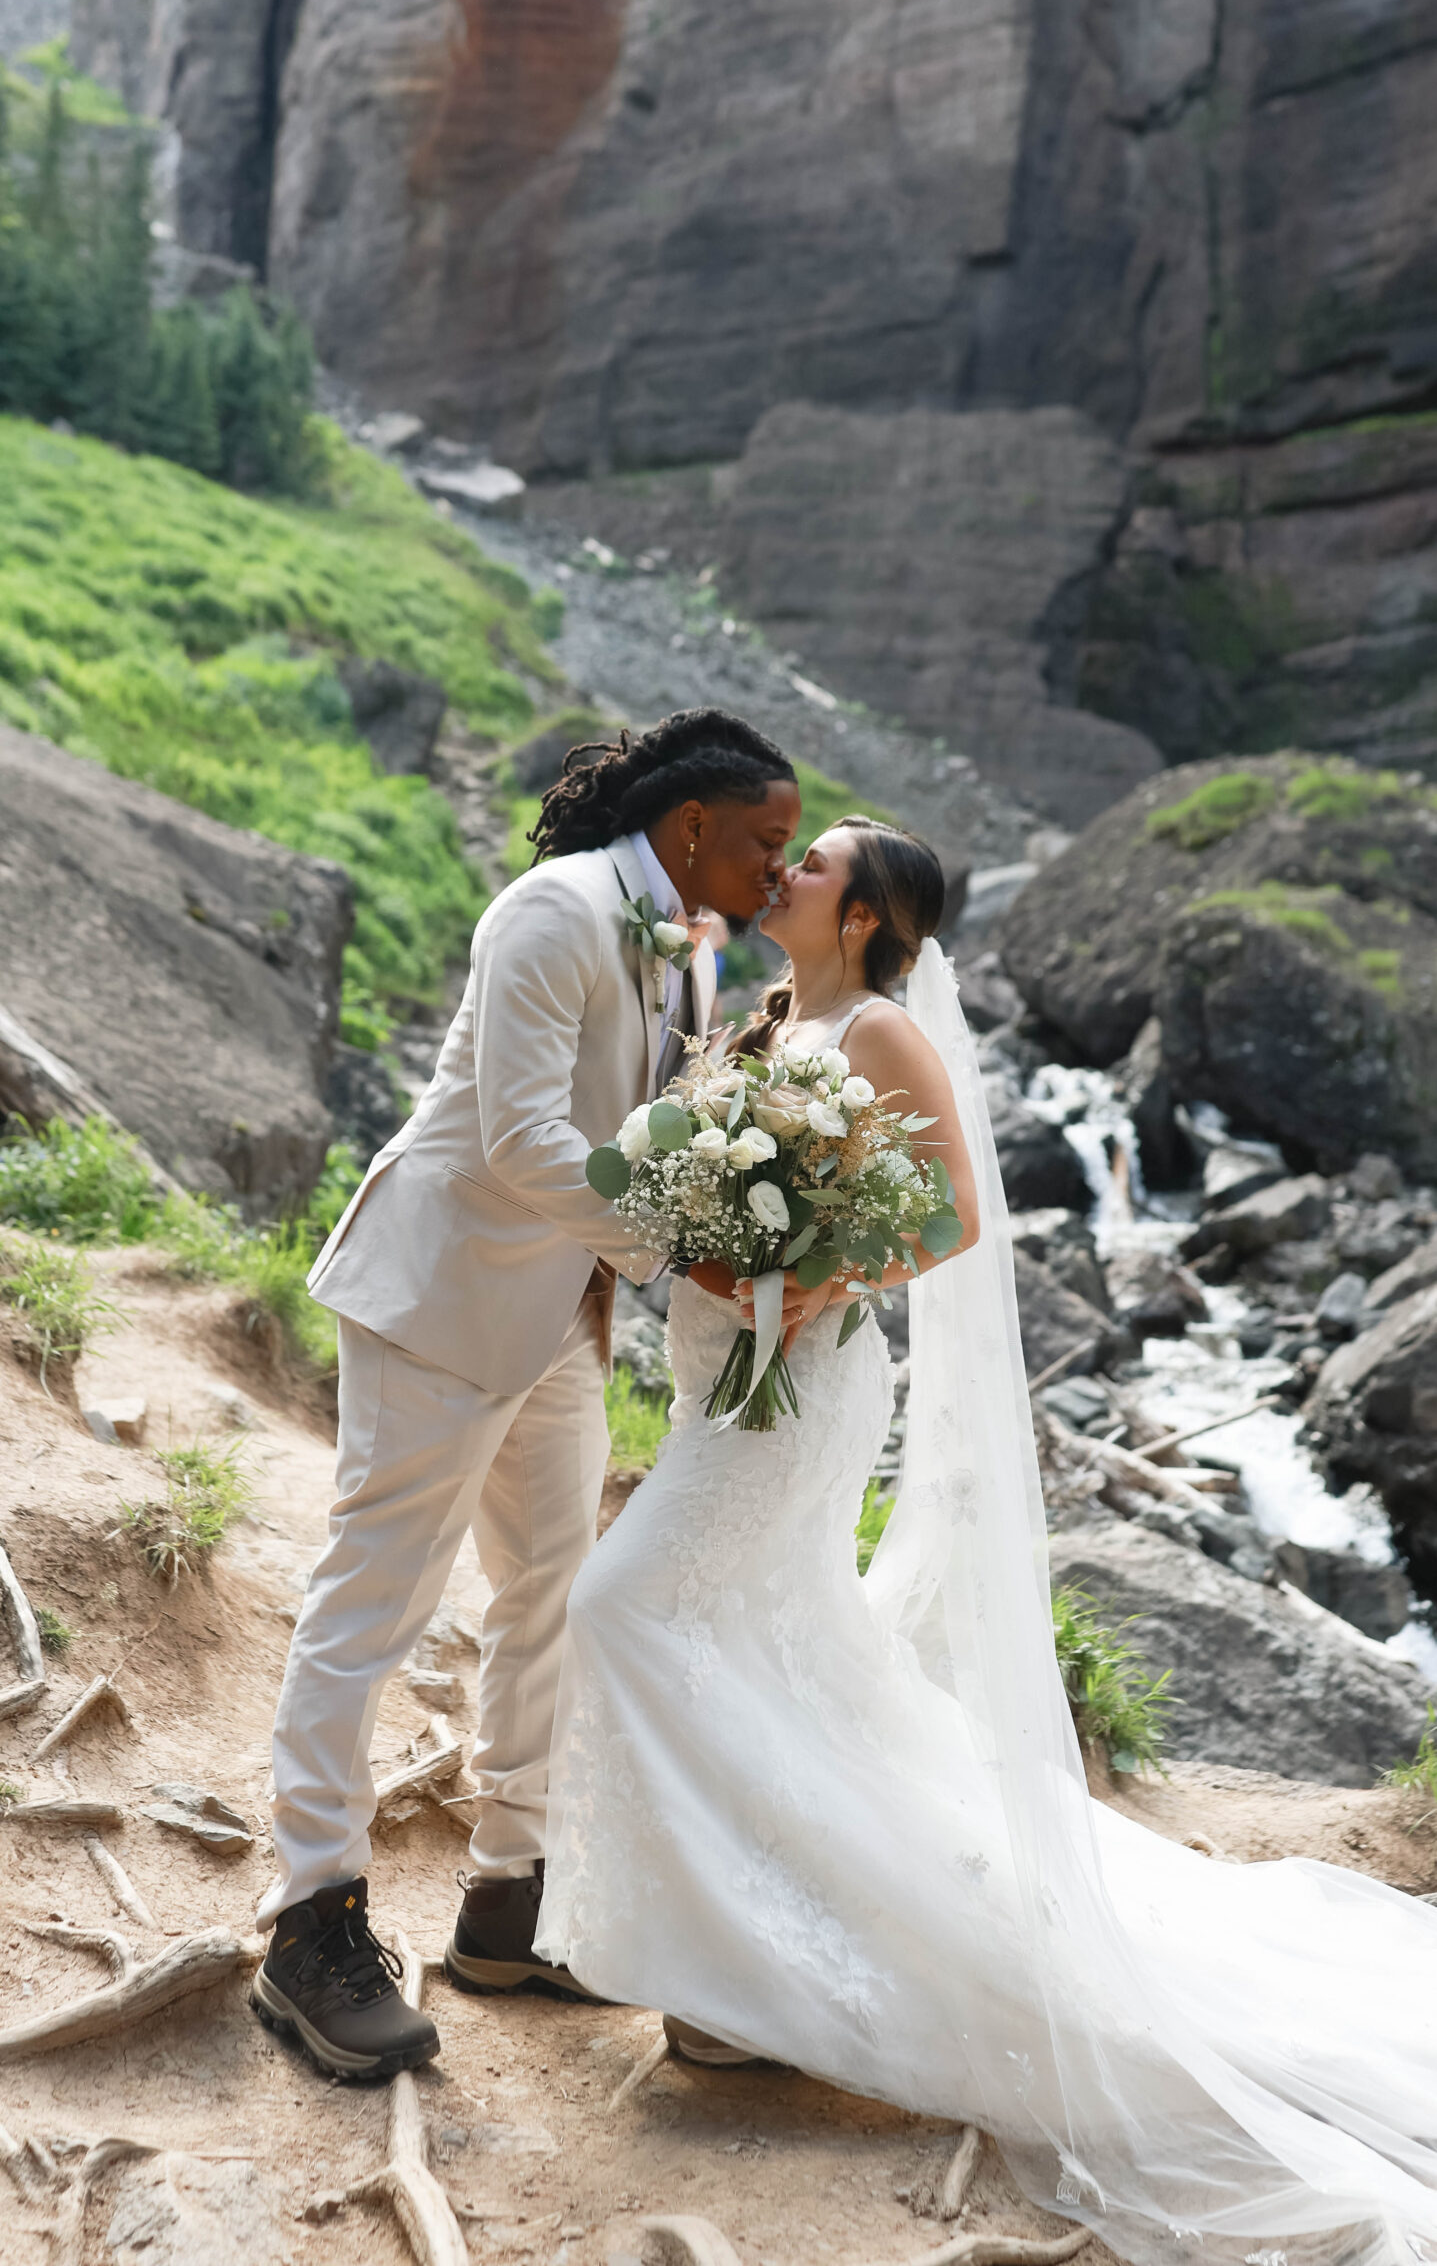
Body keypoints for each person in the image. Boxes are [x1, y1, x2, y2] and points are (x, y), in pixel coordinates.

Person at [537, 815, 1437, 2266]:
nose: (789, 874)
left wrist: (811, 1286)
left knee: (625, 1609)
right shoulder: (774, 1014)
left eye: (817, 866)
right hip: (723, 1372)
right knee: (778, 1641)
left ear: (873, 913)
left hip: (797, 1386)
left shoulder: (883, 1029)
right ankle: (721, 1977)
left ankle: (735, 1947)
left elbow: (952, 1217)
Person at [250, 708, 801, 2081]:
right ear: (686, 829)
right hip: (441, 1294)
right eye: (761, 843)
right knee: (370, 1606)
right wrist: (680, 1242)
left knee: (547, 1592)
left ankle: (509, 1899)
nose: (776, 872)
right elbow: (519, 1141)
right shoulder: (551, 913)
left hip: (557, 1312)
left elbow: (650, 1112)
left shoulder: (688, 935)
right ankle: (308, 1925)